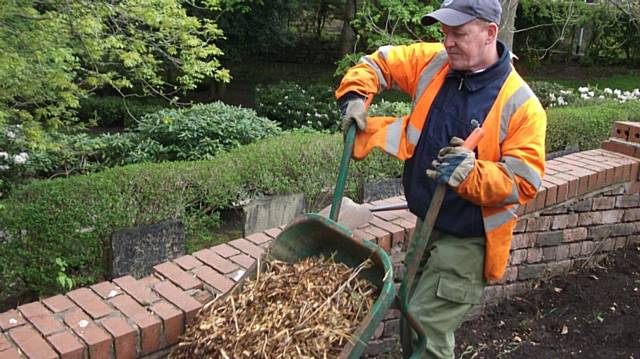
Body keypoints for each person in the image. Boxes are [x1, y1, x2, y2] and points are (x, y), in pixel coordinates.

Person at [335, 0, 546, 357]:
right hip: (427, 224)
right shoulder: (436, 63)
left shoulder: (522, 106)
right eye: (445, 32)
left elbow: (523, 183)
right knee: (409, 317)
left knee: (426, 330)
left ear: (490, 33)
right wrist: (356, 96)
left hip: (469, 239)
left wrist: (471, 173)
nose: (448, 41)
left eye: (459, 33)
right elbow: (381, 61)